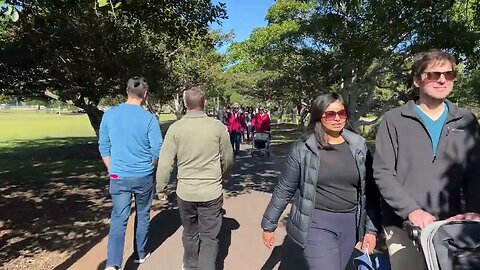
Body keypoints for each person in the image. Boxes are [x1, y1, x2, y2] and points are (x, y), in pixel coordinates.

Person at [373, 49, 480, 270]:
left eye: (448, 74)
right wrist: (411, 210)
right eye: (433, 74)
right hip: (404, 225)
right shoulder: (394, 120)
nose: (442, 80)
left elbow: (475, 173)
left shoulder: (466, 120)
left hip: (452, 225)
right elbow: (383, 173)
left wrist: (474, 211)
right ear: (417, 80)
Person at [261, 93, 380, 270]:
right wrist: (269, 223)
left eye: (342, 113)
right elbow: (285, 188)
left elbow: (369, 191)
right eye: (331, 114)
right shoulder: (303, 149)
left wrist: (371, 230)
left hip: (350, 224)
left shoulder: (359, 147)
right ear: (319, 117)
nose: (338, 118)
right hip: (317, 222)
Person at [156, 86, 234, 270]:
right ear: (204, 103)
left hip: (186, 192)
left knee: (190, 233)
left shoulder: (175, 128)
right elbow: (228, 158)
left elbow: (165, 163)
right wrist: (225, 175)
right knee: (209, 236)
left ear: (184, 104)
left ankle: (190, 265)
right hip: (211, 191)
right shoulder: (217, 127)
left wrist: (161, 188)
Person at [98, 77, 162, 270]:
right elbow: (157, 150)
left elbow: (104, 146)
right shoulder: (150, 118)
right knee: (142, 215)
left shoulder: (109, 115)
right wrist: (151, 167)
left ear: (126, 92)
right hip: (143, 176)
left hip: (118, 176)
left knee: (119, 217)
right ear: (146, 95)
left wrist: (112, 169)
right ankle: (140, 254)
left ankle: (113, 263)